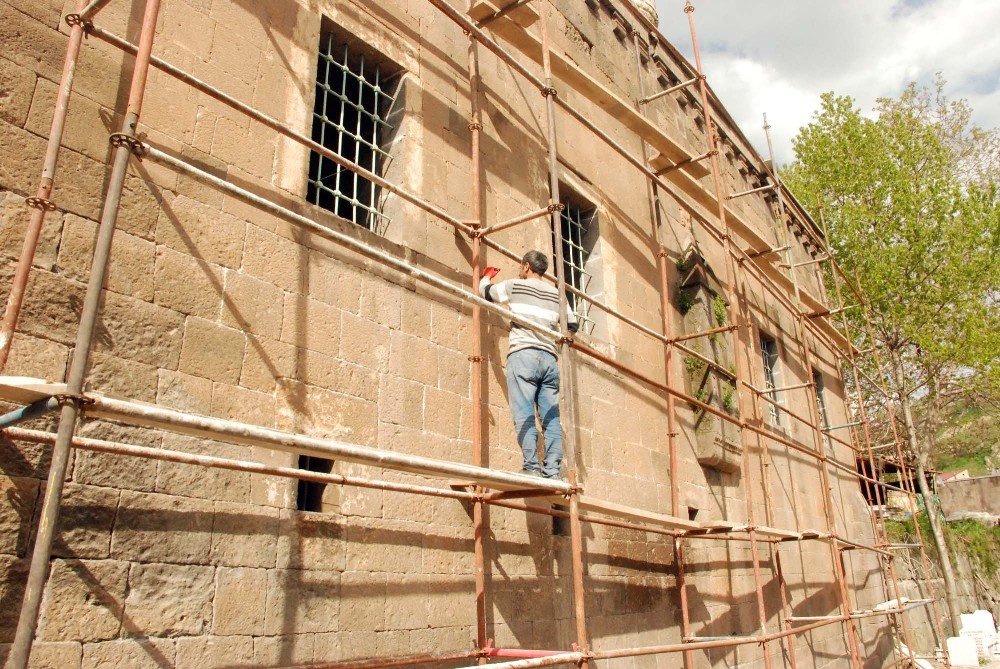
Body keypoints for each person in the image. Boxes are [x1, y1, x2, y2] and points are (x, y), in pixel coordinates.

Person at [479, 250, 578, 479]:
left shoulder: (515, 286)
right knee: (551, 418)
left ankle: (532, 467)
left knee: (523, 412)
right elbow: (572, 325)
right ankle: (552, 471)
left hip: (523, 355)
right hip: (549, 360)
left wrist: (486, 277)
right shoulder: (557, 294)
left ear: (526, 267)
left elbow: (486, 293)